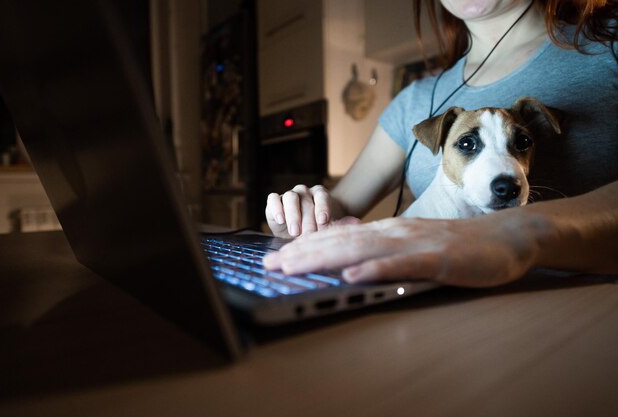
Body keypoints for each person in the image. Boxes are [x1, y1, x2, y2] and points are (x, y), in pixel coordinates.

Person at [263, 0, 618, 287]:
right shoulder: (416, 99)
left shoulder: (608, 48)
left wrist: (518, 233)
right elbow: (338, 205)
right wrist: (304, 215)